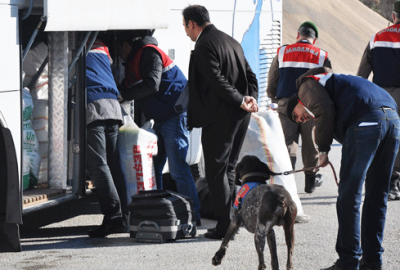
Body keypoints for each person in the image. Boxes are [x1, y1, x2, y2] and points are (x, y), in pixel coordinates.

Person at [287, 67, 400, 270]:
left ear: (298, 101)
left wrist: (322, 150)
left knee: (349, 195)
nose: (300, 120)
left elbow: (322, 108)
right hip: (392, 121)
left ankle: (348, 261)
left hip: (367, 121)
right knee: (377, 195)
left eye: (296, 115)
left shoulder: (305, 85)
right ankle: (373, 262)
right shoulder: (335, 82)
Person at [182, 5, 259, 239]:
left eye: (185, 27)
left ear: (192, 24)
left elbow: (216, 80)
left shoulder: (204, 44)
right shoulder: (231, 41)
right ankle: (231, 221)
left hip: (221, 115)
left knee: (216, 171)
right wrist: (251, 99)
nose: (186, 32)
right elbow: (250, 74)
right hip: (239, 114)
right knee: (229, 168)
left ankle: (226, 226)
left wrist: (239, 100)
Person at [116, 30, 202, 224]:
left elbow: (151, 84)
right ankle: (161, 212)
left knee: (178, 168)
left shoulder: (148, 53)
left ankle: (193, 216)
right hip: (163, 117)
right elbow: (128, 86)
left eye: (119, 49)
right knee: (154, 167)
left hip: (174, 114)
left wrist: (125, 95)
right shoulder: (134, 61)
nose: (118, 54)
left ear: (127, 45)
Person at [267, 21, 332, 194]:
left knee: (288, 143)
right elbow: (328, 84)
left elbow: (273, 78)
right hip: (310, 105)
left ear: (297, 35)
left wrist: (275, 98)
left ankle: (286, 183)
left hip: (286, 104)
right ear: (314, 40)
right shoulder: (321, 55)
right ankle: (310, 181)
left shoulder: (283, 51)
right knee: (311, 143)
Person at [356, 1, 400, 201]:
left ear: (393, 16)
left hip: (382, 97)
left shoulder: (376, 39)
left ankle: (390, 182)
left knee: (387, 138)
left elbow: (362, 74)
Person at [86, 38, 129, 238]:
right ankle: (124, 216)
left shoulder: (73, 46)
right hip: (113, 107)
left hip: (94, 107)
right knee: (112, 163)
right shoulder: (103, 47)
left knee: (98, 164)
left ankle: (113, 217)